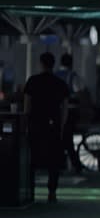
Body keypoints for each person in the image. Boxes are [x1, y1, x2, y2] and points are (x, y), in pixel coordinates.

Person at [24, 52, 69, 203]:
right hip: (53, 125)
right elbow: (65, 108)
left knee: (33, 159)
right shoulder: (60, 83)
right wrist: (62, 125)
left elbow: (27, 105)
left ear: (41, 63)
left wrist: (26, 122)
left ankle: (30, 191)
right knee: (53, 160)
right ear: (53, 64)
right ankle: (52, 192)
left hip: (35, 124)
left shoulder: (32, 81)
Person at [55, 53, 83, 173]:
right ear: (71, 63)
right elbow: (78, 91)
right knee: (68, 138)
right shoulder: (72, 75)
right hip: (70, 110)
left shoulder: (55, 75)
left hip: (55, 111)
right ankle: (75, 164)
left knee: (58, 137)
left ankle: (61, 163)